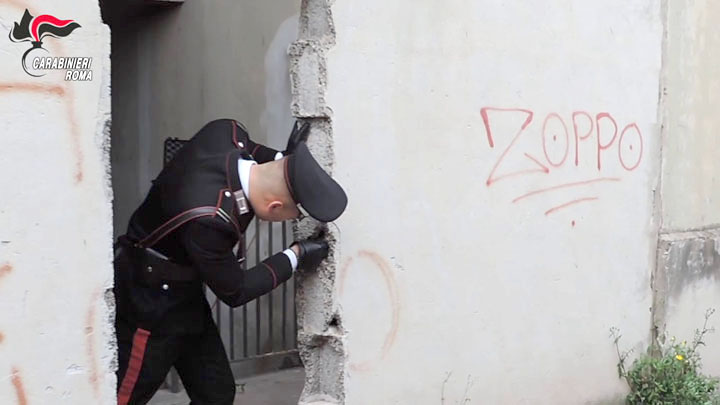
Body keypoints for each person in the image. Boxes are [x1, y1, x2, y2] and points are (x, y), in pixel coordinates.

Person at [113, 118, 347, 405]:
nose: (293, 220)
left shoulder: (226, 132)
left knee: (217, 394)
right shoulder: (210, 221)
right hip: (149, 300)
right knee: (125, 397)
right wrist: (295, 255)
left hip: (185, 294)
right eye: (294, 216)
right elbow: (236, 290)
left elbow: (256, 152)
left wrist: (286, 161)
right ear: (274, 206)